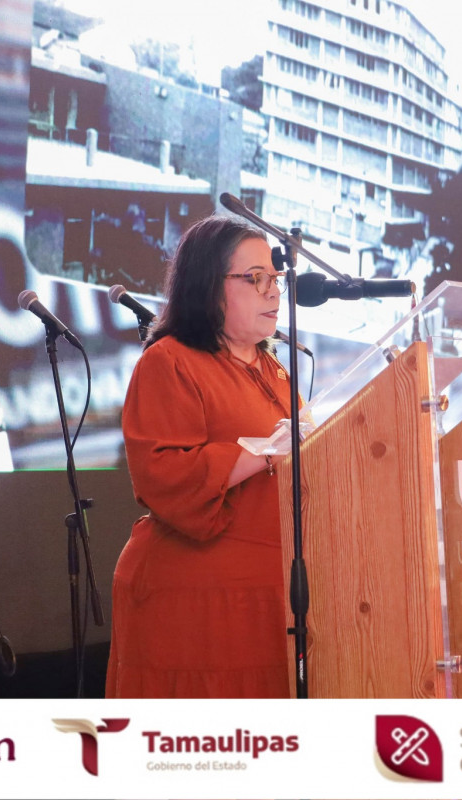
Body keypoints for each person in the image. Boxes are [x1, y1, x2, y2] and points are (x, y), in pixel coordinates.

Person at [106, 215, 294, 698]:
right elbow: (162, 472)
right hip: (198, 603)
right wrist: (263, 451)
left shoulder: (273, 369)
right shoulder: (168, 360)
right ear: (209, 285)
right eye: (256, 278)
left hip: (270, 595)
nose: (273, 292)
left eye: (275, 278)